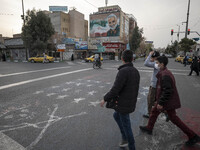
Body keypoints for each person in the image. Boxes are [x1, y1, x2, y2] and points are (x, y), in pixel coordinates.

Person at [139, 56, 200, 147]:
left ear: (162, 64)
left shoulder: (165, 75)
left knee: (174, 119)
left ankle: (193, 136)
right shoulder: (164, 72)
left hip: (167, 102)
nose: (156, 65)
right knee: (154, 112)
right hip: (164, 101)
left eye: (157, 63)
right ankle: (149, 128)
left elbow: (167, 91)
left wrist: (160, 102)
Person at [100, 50, 140, 150]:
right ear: (132, 59)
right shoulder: (135, 71)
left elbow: (115, 89)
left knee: (127, 126)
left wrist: (104, 99)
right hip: (130, 102)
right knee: (116, 116)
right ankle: (125, 137)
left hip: (123, 104)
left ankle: (131, 146)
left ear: (122, 59)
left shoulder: (123, 71)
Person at [143, 51, 160, 118]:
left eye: (152, 58)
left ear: (155, 58)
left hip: (154, 85)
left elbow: (146, 63)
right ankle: (166, 112)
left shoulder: (156, 64)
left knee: (150, 100)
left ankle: (150, 114)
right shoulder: (159, 63)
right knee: (155, 100)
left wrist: (149, 54)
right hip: (156, 85)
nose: (151, 59)